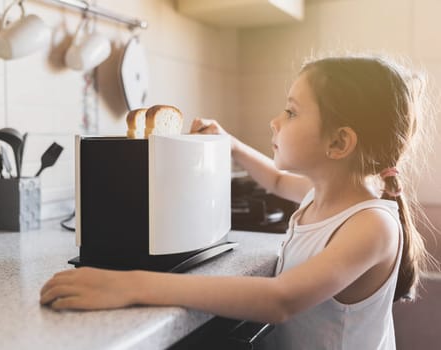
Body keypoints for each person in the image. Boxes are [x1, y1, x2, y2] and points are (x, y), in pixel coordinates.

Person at [40, 55, 435, 349]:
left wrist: (131, 285)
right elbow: (277, 180)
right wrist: (230, 144)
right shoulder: (325, 196)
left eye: (291, 112)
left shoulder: (372, 226)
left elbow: (280, 300)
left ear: (339, 142)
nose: (275, 121)